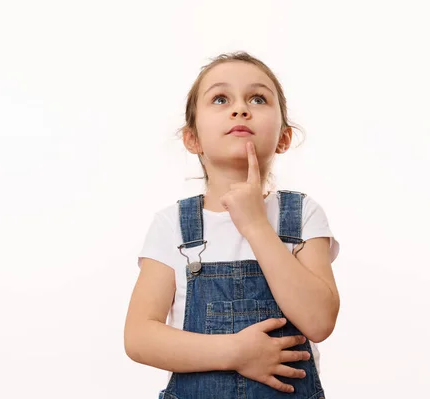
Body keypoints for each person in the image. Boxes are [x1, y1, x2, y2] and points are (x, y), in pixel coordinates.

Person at [124, 51, 340, 398]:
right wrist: (236, 353)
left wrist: (256, 224)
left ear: (284, 138)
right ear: (192, 138)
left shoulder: (302, 215)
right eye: (221, 99)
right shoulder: (172, 226)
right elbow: (139, 337)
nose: (240, 109)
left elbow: (319, 321)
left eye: (258, 98)